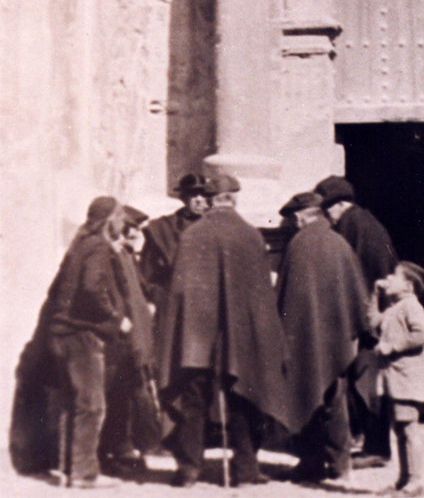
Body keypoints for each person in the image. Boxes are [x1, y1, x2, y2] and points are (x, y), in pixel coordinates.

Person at [157, 173, 291, 488]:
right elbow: (261, 295)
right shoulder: (251, 236)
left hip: (196, 337)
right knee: (244, 396)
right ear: (233, 198)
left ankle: (189, 469)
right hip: (241, 337)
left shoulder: (192, 235)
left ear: (211, 198)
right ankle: (245, 469)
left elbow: (180, 291)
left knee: (193, 400)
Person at [277, 191, 368, 484]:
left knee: (306, 394)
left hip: (304, 336)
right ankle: (340, 463)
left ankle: (311, 462)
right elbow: (357, 293)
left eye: (294, 218)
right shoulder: (340, 243)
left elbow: (286, 295)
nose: (293, 223)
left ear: (303, 216)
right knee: (336, 397)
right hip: (338, 339)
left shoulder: (298, 244)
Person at [46, 196, 132, 489]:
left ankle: (67, 470)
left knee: (74, 404)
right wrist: (116, 317)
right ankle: (84, 474)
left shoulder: (78, 246)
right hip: (82, 336)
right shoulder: (98, 248)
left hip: (62, 334)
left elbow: (57, 289)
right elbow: (92, 287)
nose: (124, 222)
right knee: (92, 405)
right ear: (109, 220)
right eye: (120, 216)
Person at [314, 174, 397, 467]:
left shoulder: (352, 226)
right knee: (364, 383)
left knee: (366, 385)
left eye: (326, 209)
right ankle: (368, 441)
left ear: (337, 205)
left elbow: (363, 276)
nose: (326, 216)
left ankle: (377, 448)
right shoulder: (366, 223)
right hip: (372, 315)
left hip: (366, 319)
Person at [99, 206, 160, 477]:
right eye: (132, 228)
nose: (136, 234)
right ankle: (115, 452)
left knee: (131, 395)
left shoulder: (125, 255)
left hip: (136, 339)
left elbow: (140, 288)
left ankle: (127, 448)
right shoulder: (111, 255)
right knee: (118, 396)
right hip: (123, 340)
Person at [368, 262, 424, 498]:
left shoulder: (411, 307)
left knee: (409, 428)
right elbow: (373, 323)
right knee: (400, 429)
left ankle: (415, 482)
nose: (388, 278)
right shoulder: (395, 307)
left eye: (394, 275)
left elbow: (422, 334)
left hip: (408, 378)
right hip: (395, 378)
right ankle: (404, 479)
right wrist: (374, 294)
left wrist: (392, 346)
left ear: (408, 284)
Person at [138, 173, 209, 330]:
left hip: (208, 309)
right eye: (192, 194)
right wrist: (162, 299)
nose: (198, 199)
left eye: (203, 194)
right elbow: (146, 276)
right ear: (183, 198)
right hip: (173, 310)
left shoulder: (216, 227)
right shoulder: (163, 229)